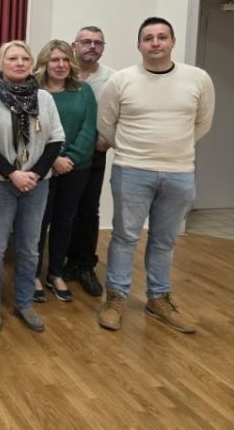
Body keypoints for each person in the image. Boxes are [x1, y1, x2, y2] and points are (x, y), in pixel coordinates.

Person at [97, 17, 215, 333]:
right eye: (148, 38)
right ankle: (116, 299)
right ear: (139, 45)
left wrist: (175, 148)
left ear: (173, 41)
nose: (155, 43)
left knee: (165, 239)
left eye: (162, 37)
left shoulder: (198, 79)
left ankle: (159, 298)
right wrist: (132, 149)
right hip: (132, 170)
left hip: (179, 173)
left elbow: (203, 123)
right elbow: (106, 123)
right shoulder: (121, 81)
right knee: (125, 237)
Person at [0, 41, 64, 333]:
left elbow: (56, 139)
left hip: (36, 184)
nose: (20, 62)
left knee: (29, 248)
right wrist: (12, 174)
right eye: (12, 58)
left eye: (25, 58)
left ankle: (25, 302)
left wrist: (34, 174)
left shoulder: (44, 99)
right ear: (0, 64)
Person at [32, 40, 97, 303]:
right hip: (42, 168)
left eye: (64, 60)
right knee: (38, 222)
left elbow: (89, 129)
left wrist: (69, 158)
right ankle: (33, 274)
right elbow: (31, 132)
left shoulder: (84, 91)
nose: (60, 65)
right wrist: (53, 160)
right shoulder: (34, 91)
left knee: (65, 221)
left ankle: (56, 272)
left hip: (76, 168)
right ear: (44, 63)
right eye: (54, 60)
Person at [64, 26, 115, 297]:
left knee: (88, 208)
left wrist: (107, 139)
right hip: (62, 153)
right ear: (74, 46)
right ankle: (61, 262)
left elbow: (122, 113)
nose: (92, 47)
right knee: (63, 209)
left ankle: (84, 264)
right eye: (86, 42)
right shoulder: (62, 72)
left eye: (98, 43)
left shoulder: (112, 78)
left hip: (94, 153)